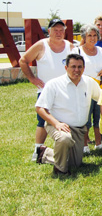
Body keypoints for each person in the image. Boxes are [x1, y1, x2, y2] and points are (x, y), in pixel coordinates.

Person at [35, 54, 100, 175]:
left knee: (75, 163)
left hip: (79, 129)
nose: (77, 70)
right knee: (64, 139)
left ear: (84, 68)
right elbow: (40, 108)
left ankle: (45, 153)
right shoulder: (53, 84)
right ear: (66, 68)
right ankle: (60, 171)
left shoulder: (90, 82)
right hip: (58, 125)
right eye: (73, 66)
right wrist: (56, 123)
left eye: (80, 67)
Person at [20, 18, 74, 161]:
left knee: (66, 119)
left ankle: (67, 147)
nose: (58, 33)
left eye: (61, 30)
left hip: (65, 91)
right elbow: (23, 60)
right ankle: (38, 149)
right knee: (42, 121)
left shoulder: (70, 46)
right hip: (45, 91)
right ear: (49, 31)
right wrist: (32, 79)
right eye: (55, 30)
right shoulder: (41, 45)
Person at [72, 25, 102, 151]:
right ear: (84, 36)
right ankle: (84, 145)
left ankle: (99, 143)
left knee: (99, 116)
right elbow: (74, 68)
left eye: (95, 35)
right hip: (84, 87)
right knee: (85, 117)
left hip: (101, 87)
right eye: (89, 35)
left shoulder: (101, 50)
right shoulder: (77, 51)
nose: (92, 38)